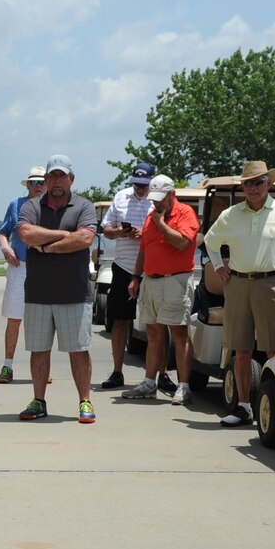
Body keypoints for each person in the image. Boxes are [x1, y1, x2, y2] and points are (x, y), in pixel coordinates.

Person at [202, 160, 275, 426]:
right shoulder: (231, 214)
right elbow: (210, 241)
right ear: (242, 186)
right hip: (239, 282)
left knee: (273, 349)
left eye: (258, 182)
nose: (253, 187)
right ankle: (244, 406)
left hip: (272, 283)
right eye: (248, 183)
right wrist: (219, 267)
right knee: (240, 348)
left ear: (269, 183)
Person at [15, 155, 100, 423]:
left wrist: (45, 247)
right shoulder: (32, 205)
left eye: (62, 176)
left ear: (71, 179)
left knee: (79, 351)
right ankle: (39, 401)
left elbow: (85, 238)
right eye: (52, 176)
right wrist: (65, 235)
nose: (56, 181)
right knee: (38, 351)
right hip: (38, 294)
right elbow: (26, 233)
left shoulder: (84, 206)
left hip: (74, 293)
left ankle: (85, 402)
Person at [121, 175, 199, 404]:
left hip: (175, 281)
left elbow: (183, 242)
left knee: (179, 333)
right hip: (151, 281)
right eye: (154, 200)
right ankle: (149, 382)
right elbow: (144, 249)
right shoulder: (151, 217)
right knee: (153, 333)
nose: (156, 204)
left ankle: (184, 386)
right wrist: (136, 277)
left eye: (160, 199)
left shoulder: (185, 213)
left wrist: (161, 224)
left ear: (172, 194)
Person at [98, 163, 155, 389]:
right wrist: (122, 232)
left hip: (151, 267)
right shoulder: (121, 197)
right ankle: (117, 371)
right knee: (120, 321)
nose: (140, 189)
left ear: (151, 181)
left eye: (144, 185)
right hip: (123, 266)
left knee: (156, 324)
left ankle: (158, 375)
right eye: (137, 185)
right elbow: (106, 230)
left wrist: (145, 234)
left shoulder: (158, 199)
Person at [0, 167, 45, 383]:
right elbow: (3, 233)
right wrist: (6, 248)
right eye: (33, 182)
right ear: (27, 184)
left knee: (43, 320)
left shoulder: (53, 207)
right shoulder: (16, 204)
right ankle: (7, 366)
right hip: (19, 267)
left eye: (41, 182)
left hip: (45, 270)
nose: (38, 186)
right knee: (14, 319)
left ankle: (42, 368)